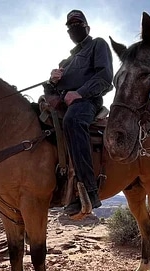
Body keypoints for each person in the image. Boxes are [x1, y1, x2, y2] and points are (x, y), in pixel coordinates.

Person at [43, 9, 114, 214]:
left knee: (73, 121)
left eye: (78, 25)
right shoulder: (65, 62)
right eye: (70, 27)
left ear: (87, 28)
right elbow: (53, 91)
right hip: (63, 103)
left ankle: (89, 190)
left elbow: (105, 78)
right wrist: (51, 82)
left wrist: (80, 93)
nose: (74, 29)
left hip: (87, 102)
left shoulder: (97, 45)